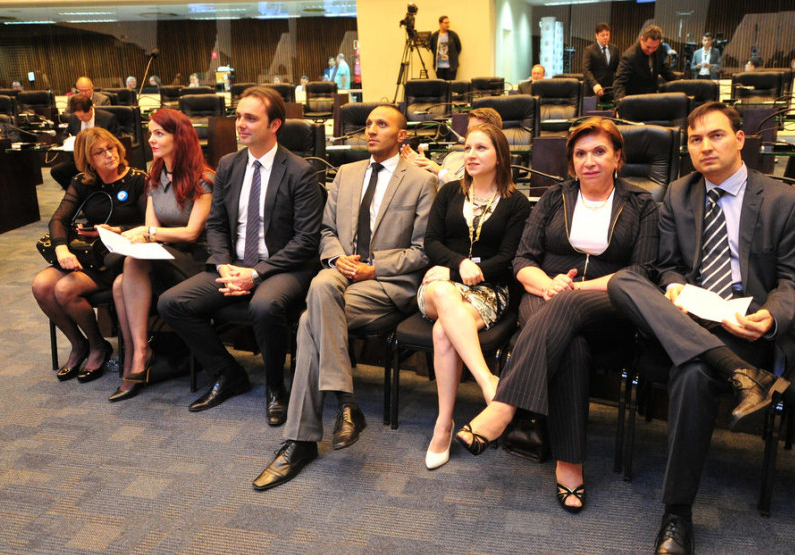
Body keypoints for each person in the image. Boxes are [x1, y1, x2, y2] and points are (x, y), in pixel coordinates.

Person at [606, 102, 795, 554]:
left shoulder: (785, 200)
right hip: (689, 316)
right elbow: (670, 266)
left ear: (740, 139)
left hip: (744, 326)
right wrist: (675, 288)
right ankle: (737, 375)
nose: (705, 147)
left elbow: (794, 281)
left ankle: (676, 514)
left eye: (715, 136)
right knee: (623, 281)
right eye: (695, 140)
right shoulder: (678, 194)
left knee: (694, 374)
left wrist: (771, 316)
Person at [456, 118, 659, 511]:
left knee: (569, 312)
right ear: (571, 164)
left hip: (608, 302)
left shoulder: (641, 204)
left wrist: (575, 290)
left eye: (600, 151)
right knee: (572, 347)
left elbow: (642, 271)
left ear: (618, 158)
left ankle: (503, 407)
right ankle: (569, 463)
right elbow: (523, 260)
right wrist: (549, 285)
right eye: (580, 154)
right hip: (542, 295)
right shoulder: (553, 198)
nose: (589, 161)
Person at [251, 106, 436, 491]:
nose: (371, 130)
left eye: (382, 124)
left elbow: (422, 250)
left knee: (308, 321)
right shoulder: (346, 174)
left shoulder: (421, 181)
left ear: (403, 136)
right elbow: (326, 229)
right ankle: (344, 405)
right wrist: (337, 258)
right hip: (342, 272)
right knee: (321, 285)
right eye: (367, 124)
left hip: (386, 284)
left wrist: (374, 267)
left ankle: (302, 439)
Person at [158, 86, 323, 416]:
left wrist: (256, 273)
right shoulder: (229, 165)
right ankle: (228, 373)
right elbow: (216, 225)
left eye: (250, 118)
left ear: (274, 125)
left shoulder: (299, 171)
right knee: (172, 303)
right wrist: (222, 266)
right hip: (233, 264)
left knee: (263, 307)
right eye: (238, 117)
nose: (240, 124)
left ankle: (276, 387)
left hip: (282, 268)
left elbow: (306, 240)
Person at [421, 124, 530, 470]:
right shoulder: (450, 192)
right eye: (467, 148)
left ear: (500, 156)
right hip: (440, 285)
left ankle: (443, 422)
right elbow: (432, 243)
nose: (470, 155)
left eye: (481, 148)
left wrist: (465, 269)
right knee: (440, 291)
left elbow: (509, 259)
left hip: (488, 290)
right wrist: (457, 267)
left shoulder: (516, 203)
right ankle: (488, 382)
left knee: (443, 332)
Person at [107, 108, 214, 402]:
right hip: (165, 254)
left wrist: (147, 234)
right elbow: (152, 228)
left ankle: (140, 354)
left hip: (196, 259)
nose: (151, 139)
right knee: (119, 285)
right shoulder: (155, 175)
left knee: (133, 260)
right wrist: (135, 235)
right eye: (150, 132)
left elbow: (192, 233)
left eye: (159, 133)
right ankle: (133, 354)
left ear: (178, 138)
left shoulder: (203, 179)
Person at [32, 128, 147, 384]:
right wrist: (61, 247)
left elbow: (149, 224)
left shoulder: (138, 179)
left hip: (118, 258)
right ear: (88, 159)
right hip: (89, 253)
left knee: (64, 290)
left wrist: (116, 229)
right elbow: (59, 219)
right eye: (100, 152)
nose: (109, 155)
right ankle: (79, 344)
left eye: (112, 148)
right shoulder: (83, 182)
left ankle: (97, 346)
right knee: (41, 285)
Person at [402, 107, 503, 185]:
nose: (470, 134)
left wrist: (440, 171)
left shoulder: (495, 163)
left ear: (494, 133)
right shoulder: (452, 157)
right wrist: (420, 169)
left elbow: (472, 189)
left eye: (476, 130)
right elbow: (435, 185)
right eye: (469, 130)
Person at [51, 95, 120, 190]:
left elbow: (115, 140)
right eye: (78, 116)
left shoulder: (107, 118)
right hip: (81, 159)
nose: (80, 119)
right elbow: (64, 136)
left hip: (101, 157)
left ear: (91, 109)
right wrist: (67, 141)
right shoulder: (73, 118)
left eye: (82, 116)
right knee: (56, 171)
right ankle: (77, 192)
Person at [613, 25, 678, 101]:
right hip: (635, 99)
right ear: (641, 39)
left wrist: (677, 80)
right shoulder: (630, 56)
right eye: (648, 47)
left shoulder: (659, 48)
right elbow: (619, 83)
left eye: (654, 47)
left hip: (652, 98)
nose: (651, 50)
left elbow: (663, 67)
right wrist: (621, 103)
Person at [582, 22, 619, 100]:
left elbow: (617, 68)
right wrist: (594, 84)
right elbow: (586, 70)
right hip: (593, 90)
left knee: (608, 112)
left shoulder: (614, 49)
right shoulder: (589, 50)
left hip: (608, 90)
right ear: (596, 35)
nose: (605, 37)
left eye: (607, 35)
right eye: (602, 35)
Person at [429, 16, 462, 80]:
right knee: (441, 86)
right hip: (439, 67)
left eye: (448, 23)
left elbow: (459, 48)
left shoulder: (453, 35)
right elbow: (433, 48)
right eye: (446, 23)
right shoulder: (435, 36)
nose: (448, 24)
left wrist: (453, 56)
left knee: (450, 85)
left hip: (451, 67)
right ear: (440, 24)